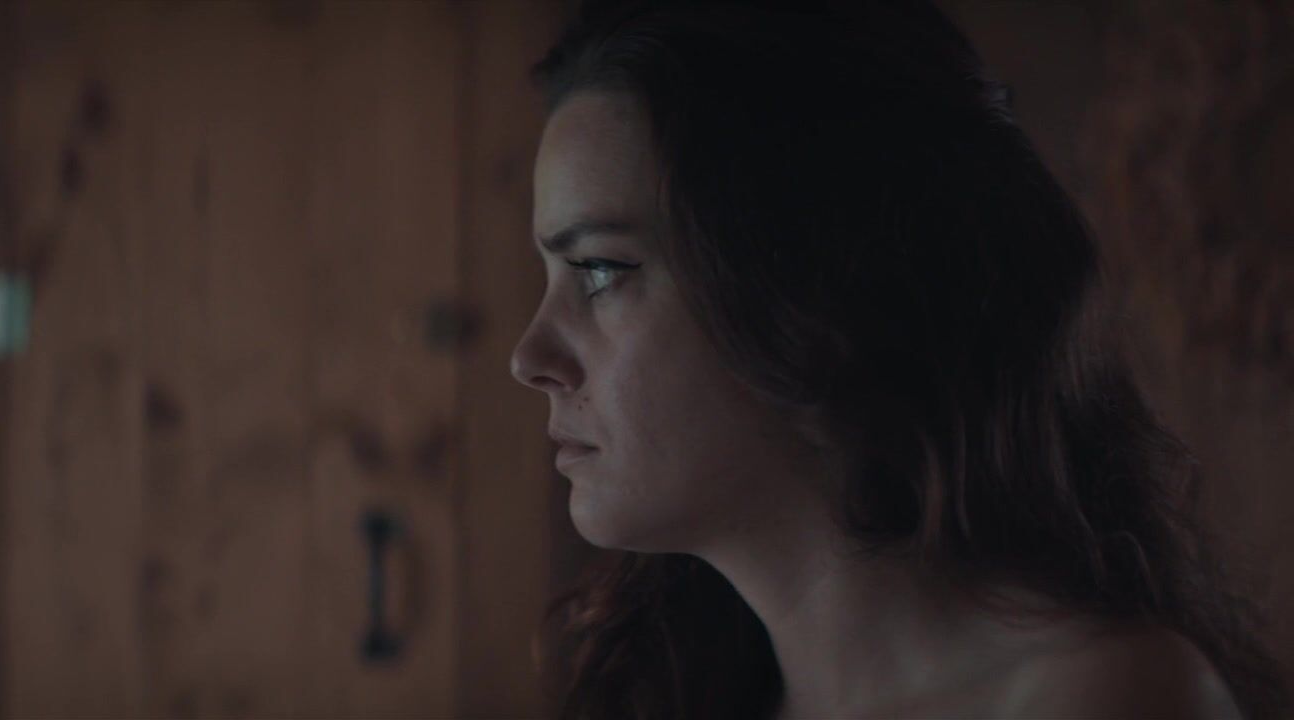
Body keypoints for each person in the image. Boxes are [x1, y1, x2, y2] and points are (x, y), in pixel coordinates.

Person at [507, 1, 1288, 718]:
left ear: (814, 286)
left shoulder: (1095, 700)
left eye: (599, 270)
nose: (528, 356)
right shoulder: (678, 695)